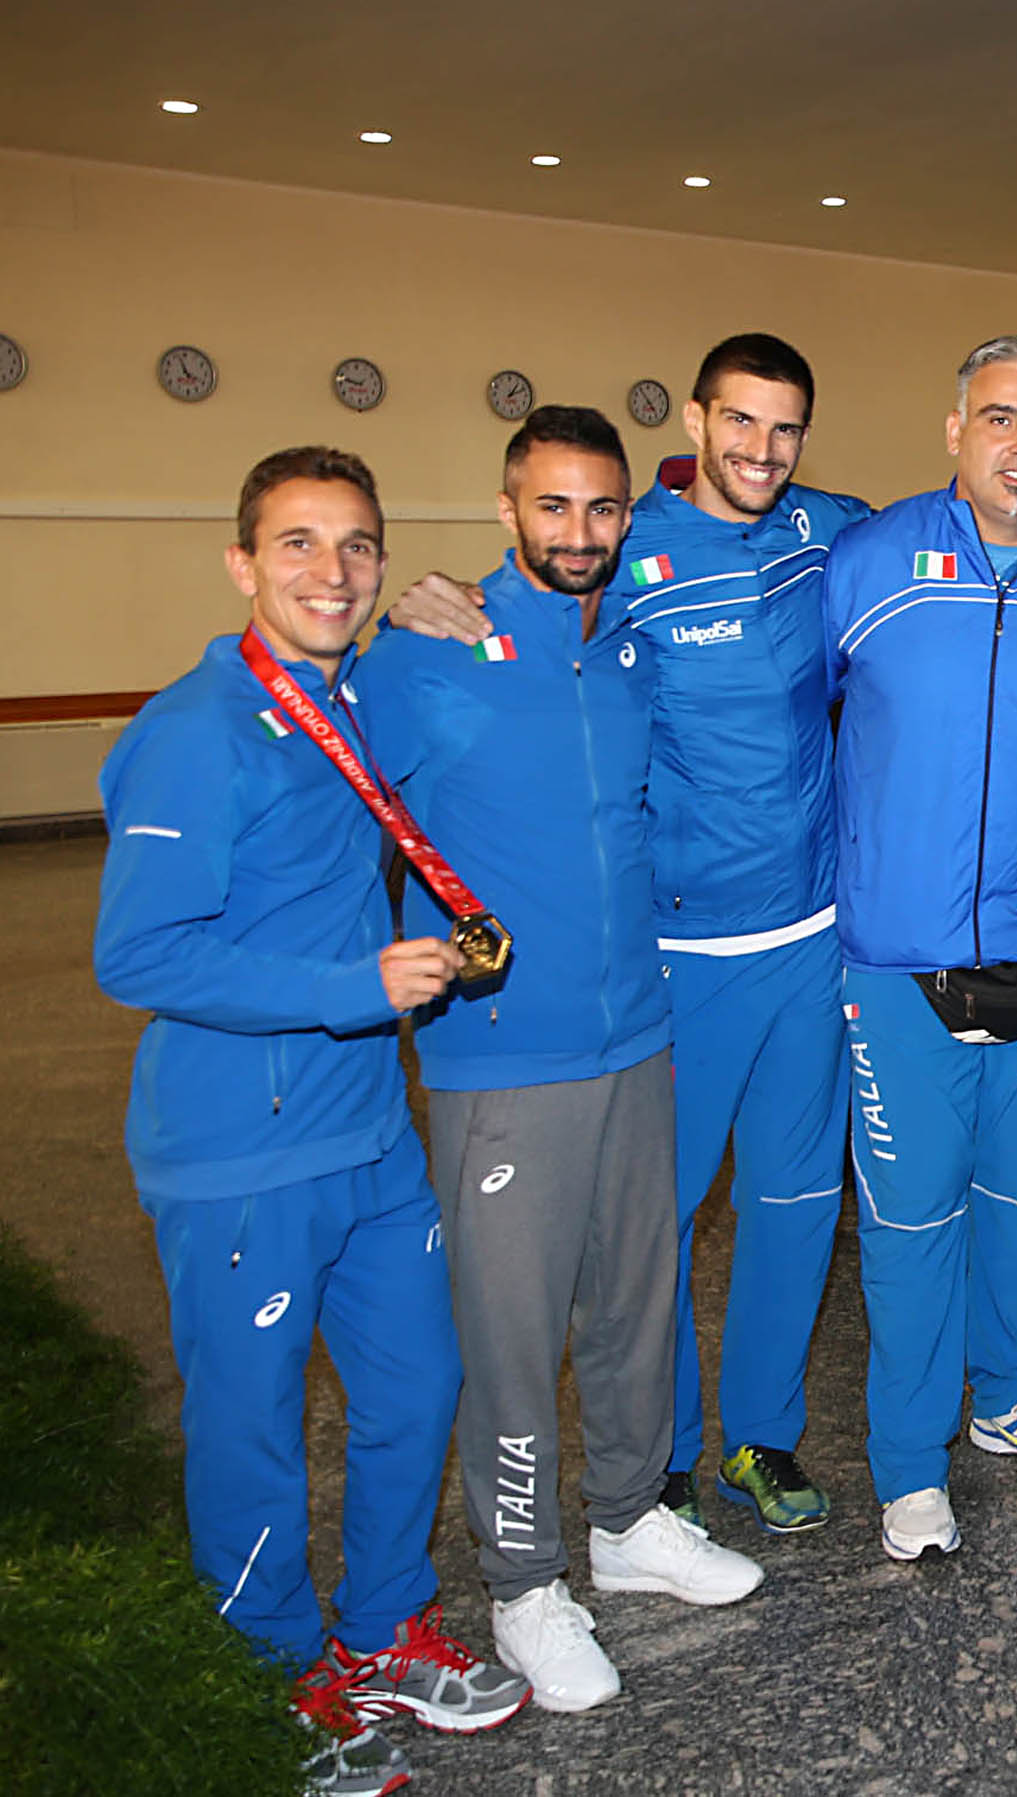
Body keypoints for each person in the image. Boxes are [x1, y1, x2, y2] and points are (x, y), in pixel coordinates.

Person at [95, 447, 530, 1796]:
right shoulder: (196, 731)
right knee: (253, 1430)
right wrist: (351, 990)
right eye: (297, 543)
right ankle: (268, 1674)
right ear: (242, 563)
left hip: (368, 1136)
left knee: (416, 1389)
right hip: (241, 1155)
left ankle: (383, 1627)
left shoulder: (341, 702)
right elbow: (138, 955)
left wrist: (442, 609)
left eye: (357, 546)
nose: (330, 572)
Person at [387, 334, 867, 1538]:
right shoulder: (627, 550)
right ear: (696, 423)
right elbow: (527, 624)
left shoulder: (829, 531)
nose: (761, 448)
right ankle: (658, 1459)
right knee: (653, 1231)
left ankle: (760, 1439)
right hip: (681, 955)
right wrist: (426, 602)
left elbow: (955, 533)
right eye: (740, 420)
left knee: (795, 1203)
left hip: (810, 936)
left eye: (785, 427)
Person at [353, 407, 764, 1715]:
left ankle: (629, 1520)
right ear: (506, 509)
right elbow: (335, 821)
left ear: (627, 514)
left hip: (636, 1034)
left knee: (640, 1302)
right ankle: (524, 1583)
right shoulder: (424, 655)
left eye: (601, 508)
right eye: (552, 506)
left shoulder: (628, 648)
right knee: (515, 1338)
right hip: (500, 1059)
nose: (578, 532)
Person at [826, 335, 1017, 1560]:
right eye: (1000, 418)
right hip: (896, 957)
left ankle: (1008, 1394)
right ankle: (909, 1464)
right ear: (955, 430)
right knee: (911, 1225)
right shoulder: (868, 562)